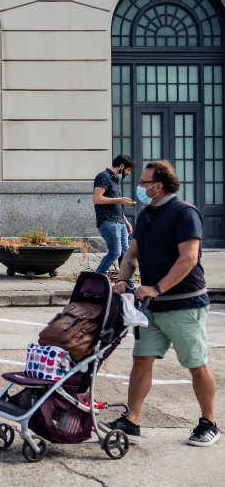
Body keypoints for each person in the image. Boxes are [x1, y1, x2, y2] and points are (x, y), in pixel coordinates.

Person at [105, 160, 219, 447]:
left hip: (184, 304)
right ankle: (131, 421)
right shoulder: (145, 216)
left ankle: (209, 423)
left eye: (144, 183)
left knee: (196, 365)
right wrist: (122, 279)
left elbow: (189, 259)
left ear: (160, 185)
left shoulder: (184, 213)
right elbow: (132, 254)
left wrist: (156, 288)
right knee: (141, 361)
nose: (140, 187)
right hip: (151, 308)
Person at [93, 154, 136, 282]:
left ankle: (130, 287)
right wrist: (120, 199)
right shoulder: (103, 177)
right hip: (108, 222)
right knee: (115, 252)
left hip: (119, 222)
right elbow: (97, 198)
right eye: (128, 170)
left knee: (125, 255)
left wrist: (126, 221)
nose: (128, 173)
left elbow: (116, 204)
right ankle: (94, 280)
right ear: (121, 166)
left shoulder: (115, 180)